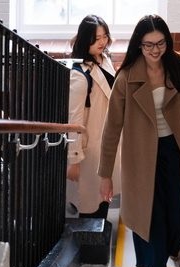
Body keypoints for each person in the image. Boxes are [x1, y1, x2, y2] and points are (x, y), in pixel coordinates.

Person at [98, 14, 180, 267]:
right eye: (148, 44)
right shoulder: (127, 77)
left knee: (179, 214)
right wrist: (105, 174)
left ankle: (174, 248)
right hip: (141, 158)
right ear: (139, 45)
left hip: (177, 150)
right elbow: (111, 127)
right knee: (151, 218)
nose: (155, 50)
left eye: (160, 43)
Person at [67, 15, 120, 220]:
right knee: (90, 204)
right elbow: (74, 120)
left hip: (106, 140)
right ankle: (92, 238)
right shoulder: (79, 74)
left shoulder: (105, 60)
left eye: (105, 36)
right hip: (90, 147)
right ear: (85, 39)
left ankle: (100, 234)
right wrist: (73, 159)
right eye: (96, 38)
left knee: (104, 197)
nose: (102, 42)